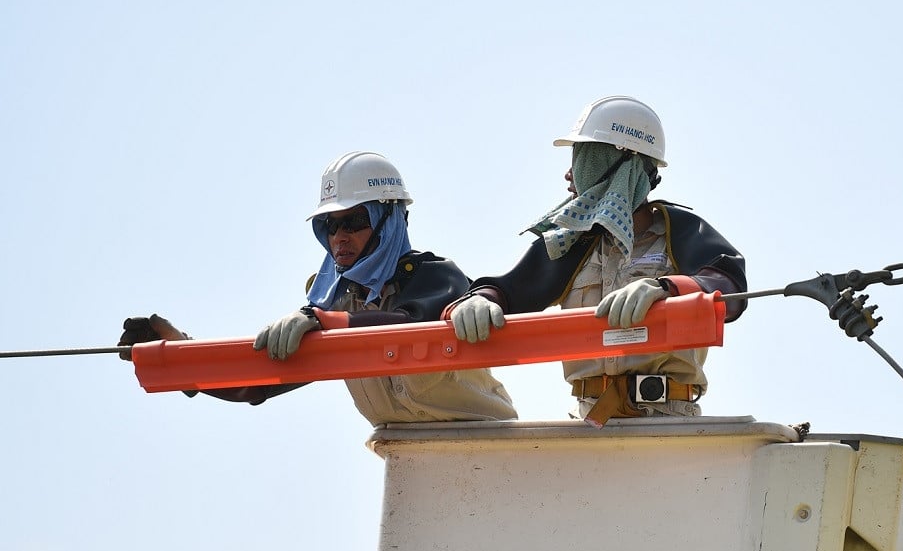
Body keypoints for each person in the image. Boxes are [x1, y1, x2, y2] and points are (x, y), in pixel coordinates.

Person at [117, 151, 517, 424]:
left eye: (354, 221)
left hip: (492, 445)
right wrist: (179, 357)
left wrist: (327, 322)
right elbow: (257, 382)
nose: (339, 237)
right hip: (408, 455)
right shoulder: (336, 304)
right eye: (328, 226)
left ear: (389, 220)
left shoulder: (435, 278)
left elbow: (403, 325)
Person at [443, 96, 746, 426]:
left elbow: (728, 289)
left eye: (582, 158)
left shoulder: (680, 232)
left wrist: (666, 288)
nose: (569, 175)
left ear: (618, 163)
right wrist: (478, 301)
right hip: (590, 420)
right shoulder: (573, 243)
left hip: (667, 418)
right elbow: (510, 291)